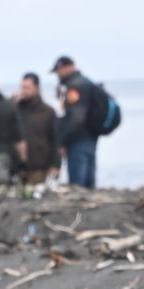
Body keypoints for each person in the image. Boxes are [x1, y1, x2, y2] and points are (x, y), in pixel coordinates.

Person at [51, 55, 103, 189]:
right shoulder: (86, 82)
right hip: (90, 137)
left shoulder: (75, 87)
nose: (57, 75)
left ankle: (81, 208)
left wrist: (63, 142)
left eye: (58, 71)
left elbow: (76, 118)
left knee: (77, 185)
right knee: (88, 182)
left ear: (66, 68)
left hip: (78, 140)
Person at [13, 73, 60, 188]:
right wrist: (11, 101)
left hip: (39, 167)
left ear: (37, 88)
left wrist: (56, 164)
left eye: (27, 88)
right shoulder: (14, 109)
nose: (24, 91)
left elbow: (56, 139)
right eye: (22, 87)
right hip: (16, 167)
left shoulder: (48, 111)